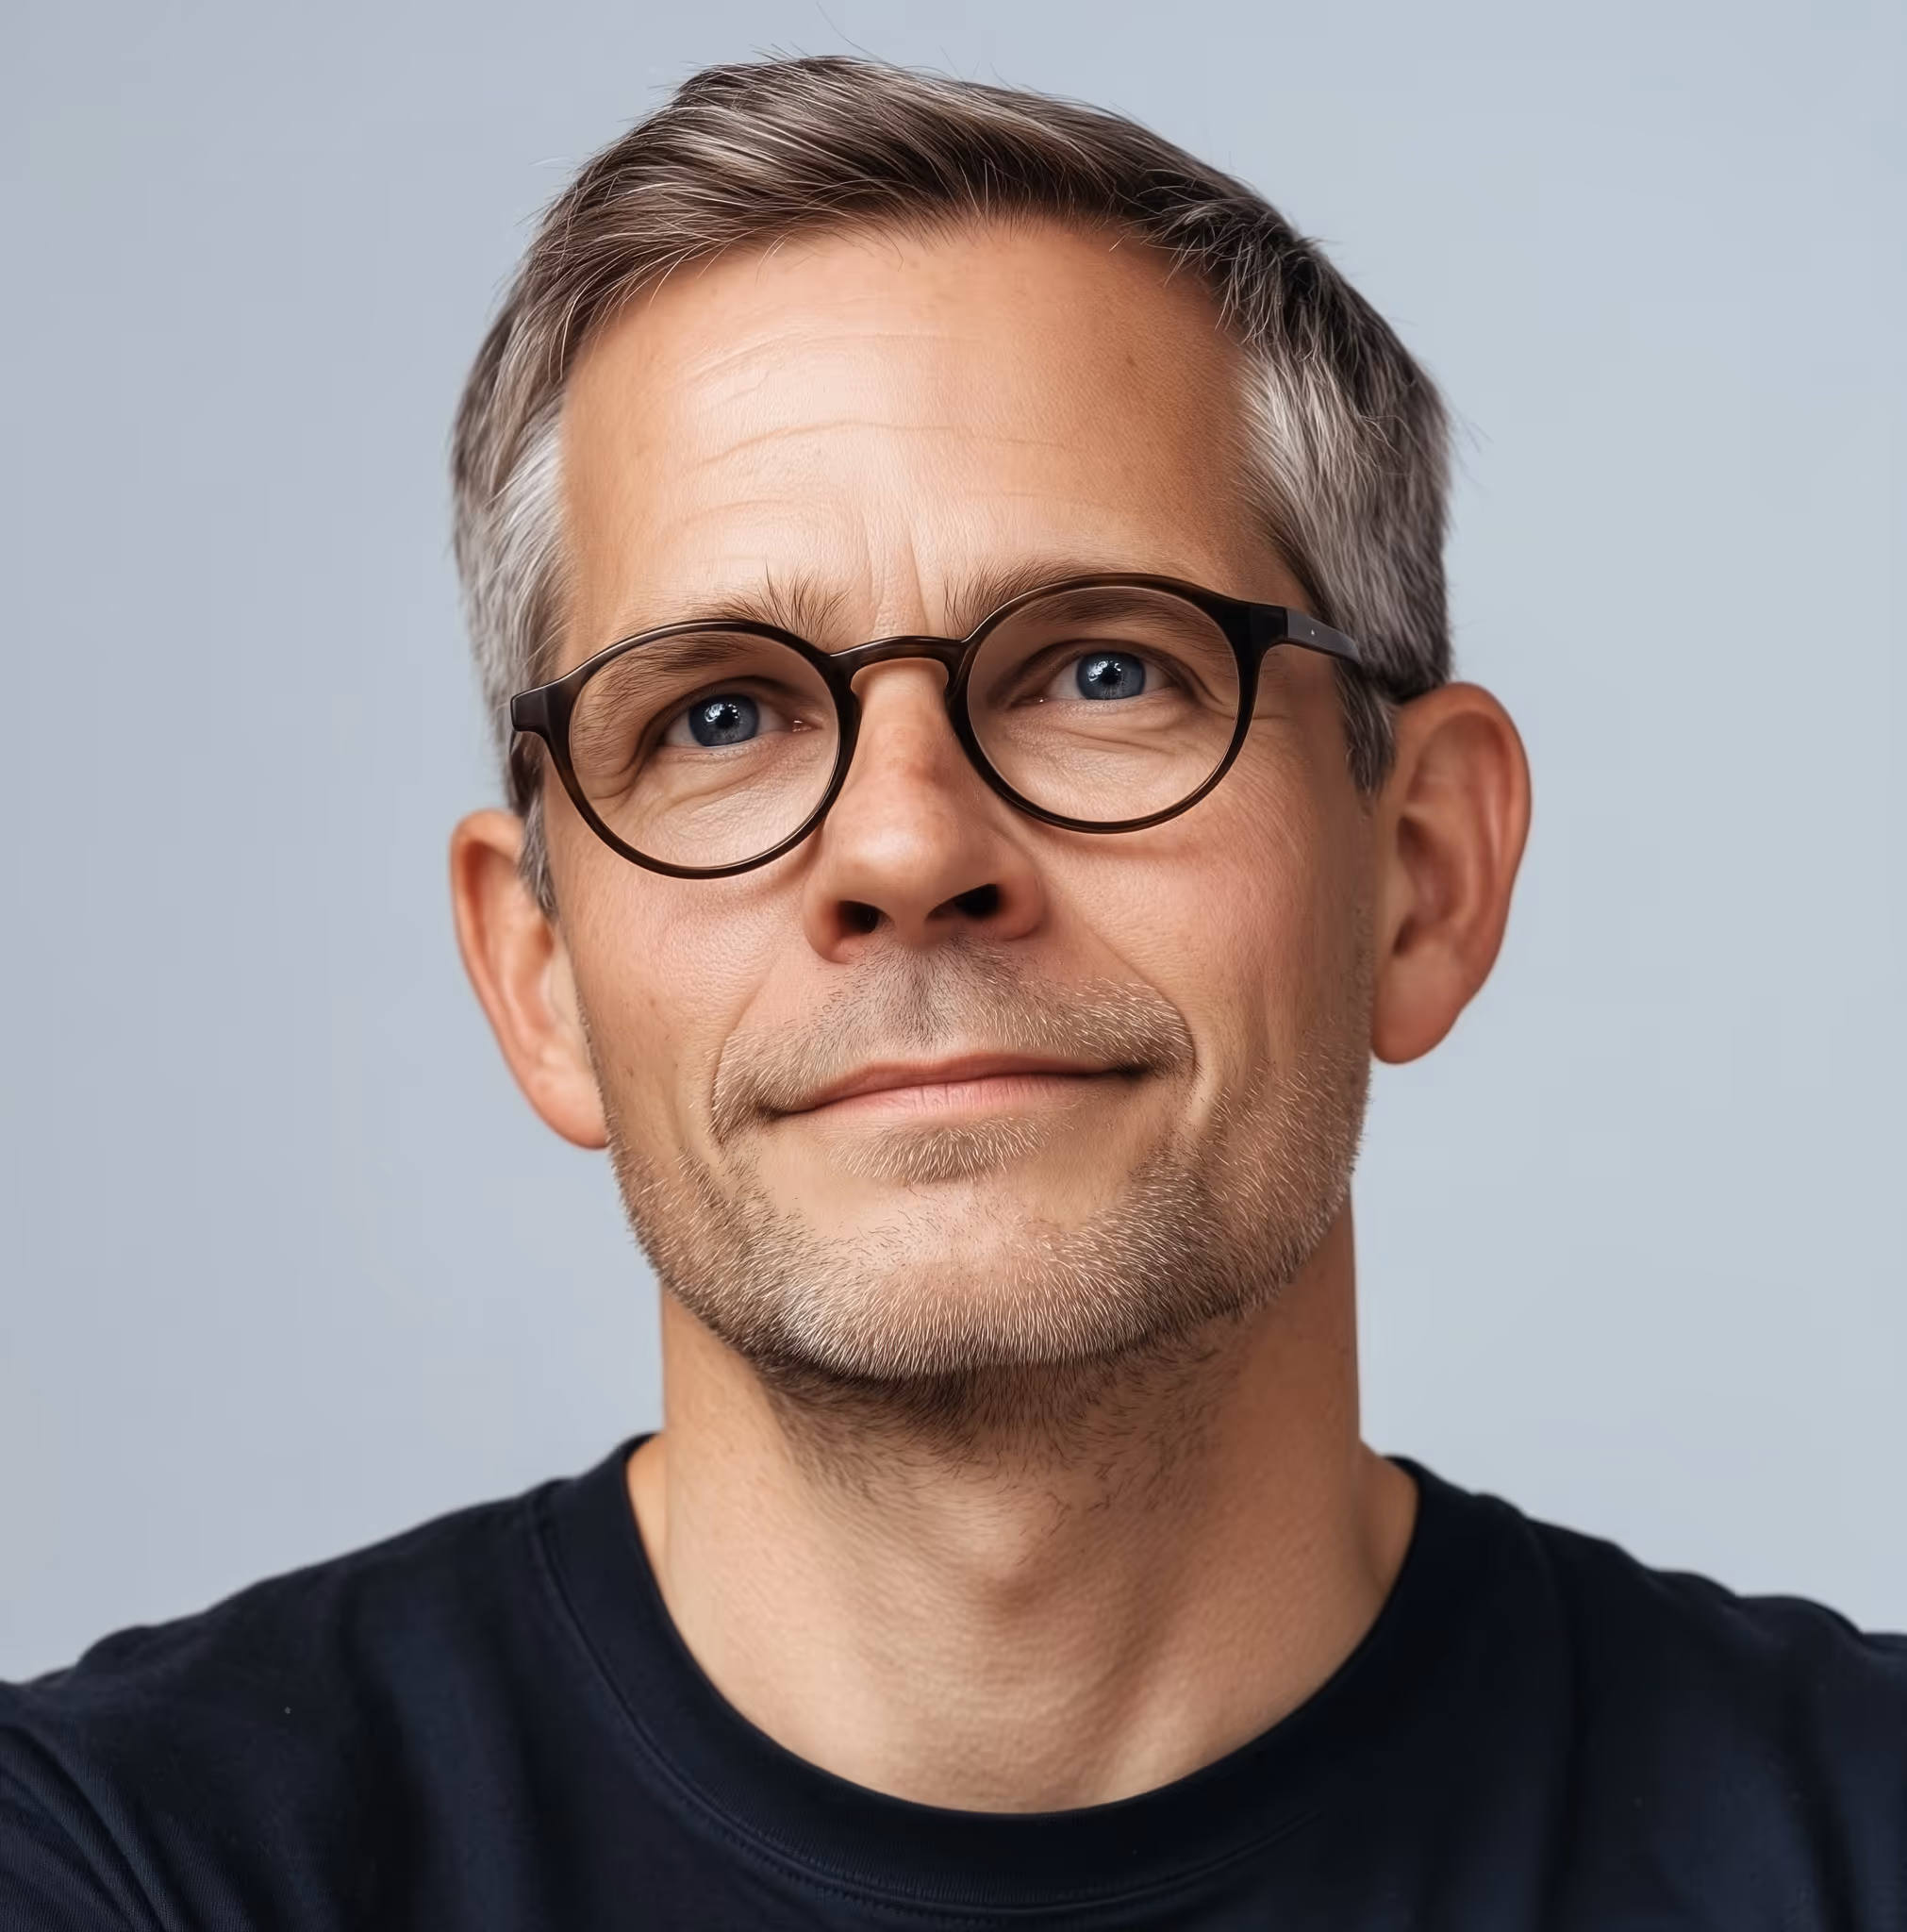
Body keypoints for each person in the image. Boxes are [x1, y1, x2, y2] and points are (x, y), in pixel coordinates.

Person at [2, 54, 1900, 1931]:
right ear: (542, 973)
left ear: (1422, 871)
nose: (908, 848)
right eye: (718, 716)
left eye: (1102, 672)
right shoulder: (121, 1868)